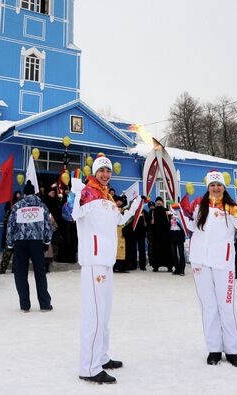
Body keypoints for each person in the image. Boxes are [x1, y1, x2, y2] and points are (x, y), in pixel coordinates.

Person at [72, 153, 142, 384]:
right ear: (95, 172)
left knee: (105, 314)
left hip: (107, 261)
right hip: (93, 261)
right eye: (101, 170)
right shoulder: (86, 192)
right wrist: (74, 195)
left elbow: (117, 222)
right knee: (94, 315)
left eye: (108, 171)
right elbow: (72, 215)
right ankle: (89, 367)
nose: (105, 174)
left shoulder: (107, 197)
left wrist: (133, 208)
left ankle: (101, 357)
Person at [182, 170, 237, 368]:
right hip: (200, 262)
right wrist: (178, 212)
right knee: (208, 307)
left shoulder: (231, 207)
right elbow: (193, 227)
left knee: (226, 306)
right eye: (212, 185)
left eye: (219, 185)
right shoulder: (200, 206)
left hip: (223, 263)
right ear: (208, 188)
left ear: (224, 187)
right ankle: (214, 349)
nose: (216, 188)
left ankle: (232, 350)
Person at [6, 181, 53, 311]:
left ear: (24, 193)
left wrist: (10, 244)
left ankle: (25, 305)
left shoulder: (17, 206)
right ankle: (45, 304)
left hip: (19, 243)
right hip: (37, 242)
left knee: (20, 273)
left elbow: (10, 226)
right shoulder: (42, 206)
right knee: (40, 273)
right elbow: (48, 226)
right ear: (34, 193)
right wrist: (47, 241)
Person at [0, 191, 22, 274]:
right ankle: (3, 268)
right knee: (7, 254)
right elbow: (6, 222)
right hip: (10, 237)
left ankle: (15, 269)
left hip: (18, 236)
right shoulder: (10, 212)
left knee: (17, 255)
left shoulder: (22, 212)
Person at [150, 197, 173, 272]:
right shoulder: (153, 211)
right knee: (156, 250)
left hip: (165, 235)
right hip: (156, 235)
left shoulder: (166, 210)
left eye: (160, 201)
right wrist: (151, 222)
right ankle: (156, 266)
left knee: (167, 250)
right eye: (157, 201)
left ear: (163, 202)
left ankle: (169, 266)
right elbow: (149, 222)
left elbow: (171, 220)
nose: (159, 202)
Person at [169, 211, 186, 276]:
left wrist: (177, 219)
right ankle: (177, 269)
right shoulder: (169, 216)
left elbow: (184, 225)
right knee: (174, 254)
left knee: (181, 253)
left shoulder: (180, 216)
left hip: (179, 235)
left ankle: (182, 270)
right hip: (172, 235)